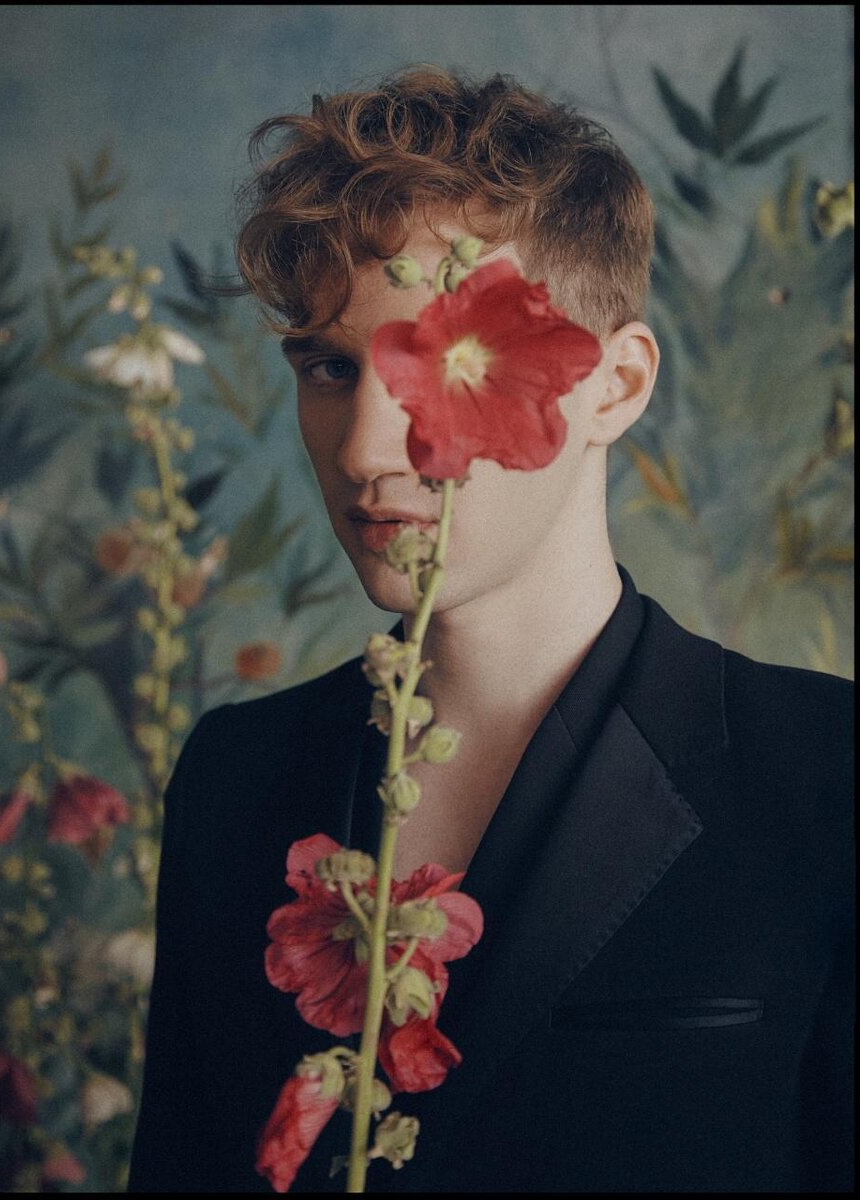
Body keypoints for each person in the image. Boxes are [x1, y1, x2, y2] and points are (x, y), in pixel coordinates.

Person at [127, 67, 854, 1193]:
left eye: (433, 366)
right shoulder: (233, 779)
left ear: (614, 387)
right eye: (331, 368)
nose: (365, 450)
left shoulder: (825, 771)